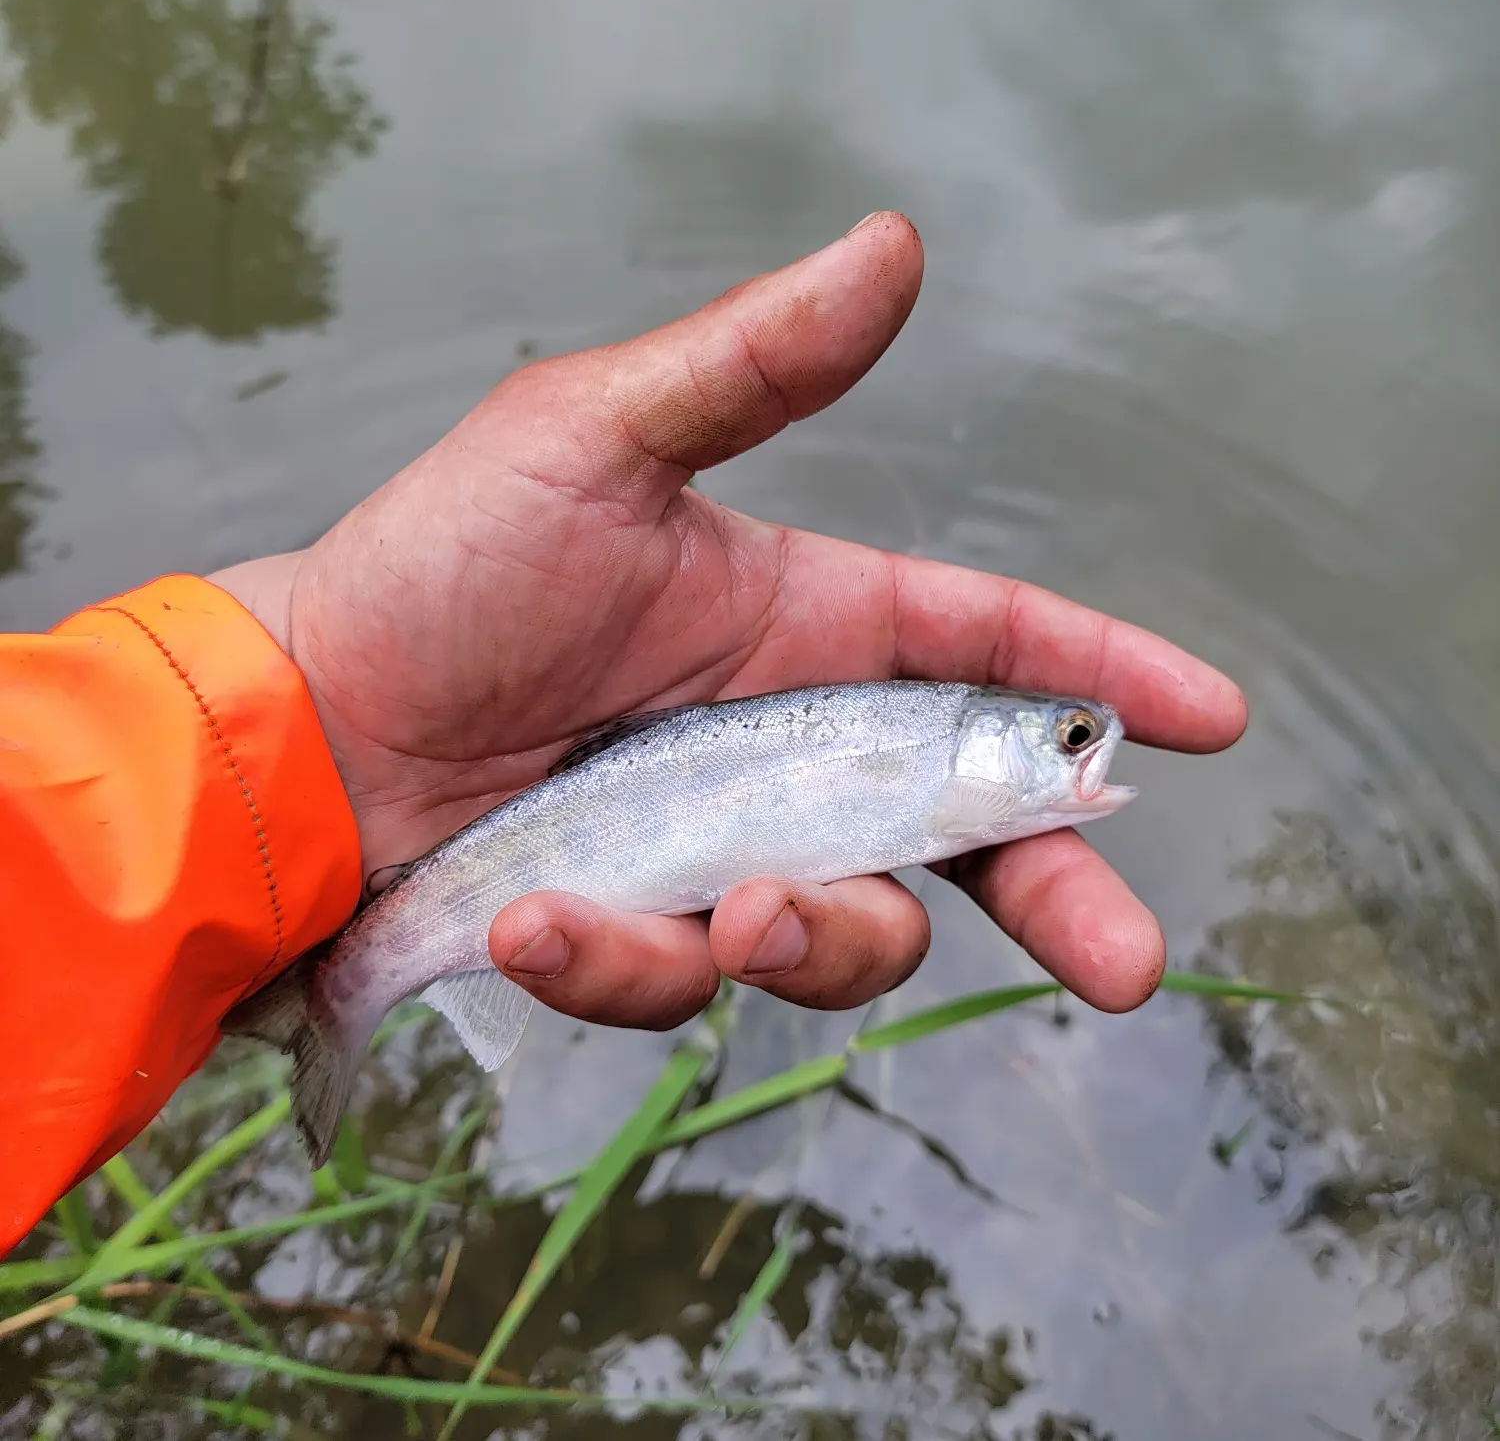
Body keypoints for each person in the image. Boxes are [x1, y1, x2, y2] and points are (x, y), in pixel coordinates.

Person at [0, 214, 1246, 1257]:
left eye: (1075, 732)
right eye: (1069, 731)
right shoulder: (917, 750)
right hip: (434, 842)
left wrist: (304, 703)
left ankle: (339, 968)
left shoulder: (927, 760)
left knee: (693, 933)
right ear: (973, 742)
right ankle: (345, 986)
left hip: (291, 801)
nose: (1089, 742)